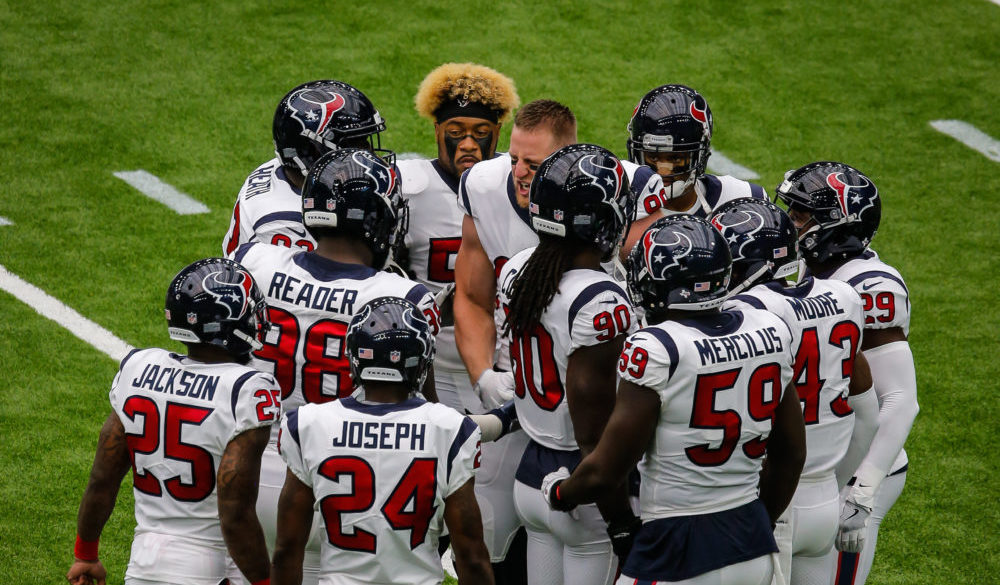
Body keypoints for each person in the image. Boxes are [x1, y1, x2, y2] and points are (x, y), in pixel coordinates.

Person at [543, 216, 807, 585]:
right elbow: (791, 455)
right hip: (751, 544)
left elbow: (606, 471)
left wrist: (560, 493)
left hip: (673, 548)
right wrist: (757, 521)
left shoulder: (658, 347)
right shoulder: (769, 329)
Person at [230, 148, 440, 584]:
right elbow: (424, 410)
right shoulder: (403, 298)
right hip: (344, 483)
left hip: (252, 470)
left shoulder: (256, 261)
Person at [66, 258, 278, 585]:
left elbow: (102, 477)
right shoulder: (247, 389)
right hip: (205, 567)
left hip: (143, 563)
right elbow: (235, 514)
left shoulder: (139, 367)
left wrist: (86, 554)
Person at [713, 198, 879, 585]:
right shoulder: (843, 297)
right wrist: (834, 486)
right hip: (823, 497)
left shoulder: (748, 315)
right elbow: (868, 414)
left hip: (767, 499)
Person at [271, 296, 493, 585]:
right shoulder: (449, 430)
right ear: (421, 361)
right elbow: (471, 557)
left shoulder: (311, 425)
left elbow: (287, 548)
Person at [496, 144, 639, 585]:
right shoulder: (598, 299)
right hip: (583, 488)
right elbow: (592, 433)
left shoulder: (519, 269)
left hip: (530, 477)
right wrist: (620, 520)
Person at [450, 98, 577, 583]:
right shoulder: (484, 186)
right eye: (515, 159)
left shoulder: (613, 194)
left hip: (586, 409)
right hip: (514, 386)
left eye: (535, 164)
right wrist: (483, 372)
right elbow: (471, 295)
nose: (519, 173)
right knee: (486, 534)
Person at [774, 162, 918, 585]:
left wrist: (861, 492)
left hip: (856, 468)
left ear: (836, 227)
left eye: (799, 215)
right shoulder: (812, 270)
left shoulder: (872, 285)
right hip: (818, 460)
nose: (788, 222)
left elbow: (899, 401)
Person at [399, 61, 520, 414]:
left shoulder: (518, 181)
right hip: (426, 363)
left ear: (497, 132)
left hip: (503, 363)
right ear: (437, 130)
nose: (468, 143)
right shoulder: (408, 188)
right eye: (456, 130)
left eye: (480, 131)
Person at [223, 79, 393, 256]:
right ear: (313, 151)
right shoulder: (286, 222)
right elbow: (334, 279)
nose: (370, 154)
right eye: (355, 145)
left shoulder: (286, 171)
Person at [626, 84, 767, 221]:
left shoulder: (741, 199)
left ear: (700, 155)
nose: (663, 170)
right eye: (653, 157)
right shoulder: (620, 206)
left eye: (675, 158)